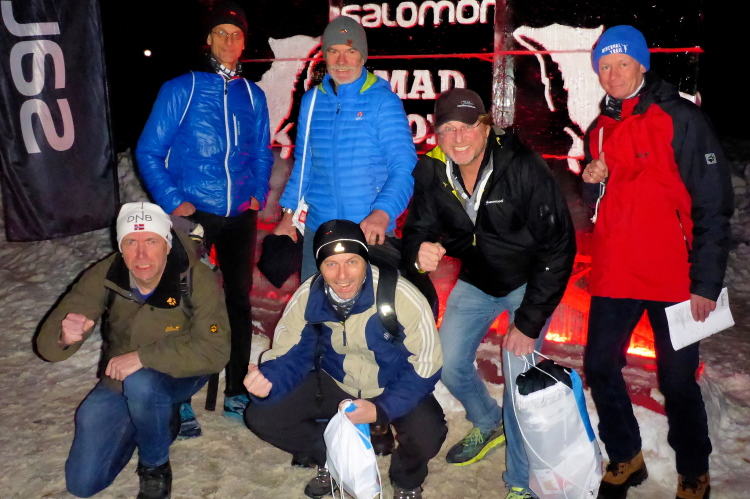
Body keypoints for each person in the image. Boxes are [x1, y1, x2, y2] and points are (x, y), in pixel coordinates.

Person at [401, 88, 576, 499]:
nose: (457, 138)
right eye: (447, 129)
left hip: (528, 283)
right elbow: (416, 230)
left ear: (485, 127)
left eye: (467, 127)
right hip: (477, 281)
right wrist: (417, 250)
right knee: (446, 363)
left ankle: (521, 482)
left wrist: (529, 322)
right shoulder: (432, 170)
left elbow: (559, 246)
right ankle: (487, 422)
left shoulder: (522, 166)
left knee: (520, 386)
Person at [581, 25, 733, 499]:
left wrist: (705, 281)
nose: (613, 74)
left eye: (622, 63)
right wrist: (592, 179)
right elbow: (599, 204)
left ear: (642, 65)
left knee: (677, 380)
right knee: (599, 365)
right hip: (615, 272)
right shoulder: (599, 128)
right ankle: (626, 456)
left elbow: (713, 203)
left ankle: (694, 469)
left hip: (673, 277)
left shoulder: (681, 118)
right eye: (605, 66)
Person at [36, 202, 230, 499]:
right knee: (83, 484)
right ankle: (158, 421)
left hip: (183, 369)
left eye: (151, 241)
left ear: (167, 245)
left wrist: (143, 358)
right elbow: (49, 345)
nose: (141, 255)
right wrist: (64, 336)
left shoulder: (195, 277)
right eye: (131, 242)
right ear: (120, 247)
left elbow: (215, 352)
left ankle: (155, 467)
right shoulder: (107, 273)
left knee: (143, 386)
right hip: (122, 376)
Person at [136, 0, 273, 421]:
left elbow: (262, 152)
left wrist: (257, 193)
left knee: (238, 302)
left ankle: (236, 388)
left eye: (237, 34)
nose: (229, 41)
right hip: (193, 213)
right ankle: (176, 396)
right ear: (208, 39)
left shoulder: (253, 95)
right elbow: (149, 151)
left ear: (244, 42)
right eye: (221, 33)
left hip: (240, 215)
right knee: (180, 302)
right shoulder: (183, 88)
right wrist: (175, 201)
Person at [243, 220, 446, 499]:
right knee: (262, 416)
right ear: (320, 266)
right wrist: (269, 380)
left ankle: (407, 480)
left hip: (392, 383)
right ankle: (333, 461)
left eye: (351, 261)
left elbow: (426, 365)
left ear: (365, 260)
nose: (342, 275)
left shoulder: (400, 295)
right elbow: (291, 352)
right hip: (336, 381)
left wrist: (381, 410)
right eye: (331, 264)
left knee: (428, 433)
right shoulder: (309, 295)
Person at [272, 15, 418, 282]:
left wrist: (382, 212)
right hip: (320, 229)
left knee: (372, 307)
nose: (342, 61)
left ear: (362, 56)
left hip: (369, 230)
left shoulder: (383, 101)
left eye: (350, 51)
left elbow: (404, 167)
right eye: (333, 51)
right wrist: (288, 214)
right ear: (324, 56)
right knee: (315, 304)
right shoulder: (312, 101)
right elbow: (304, 165)